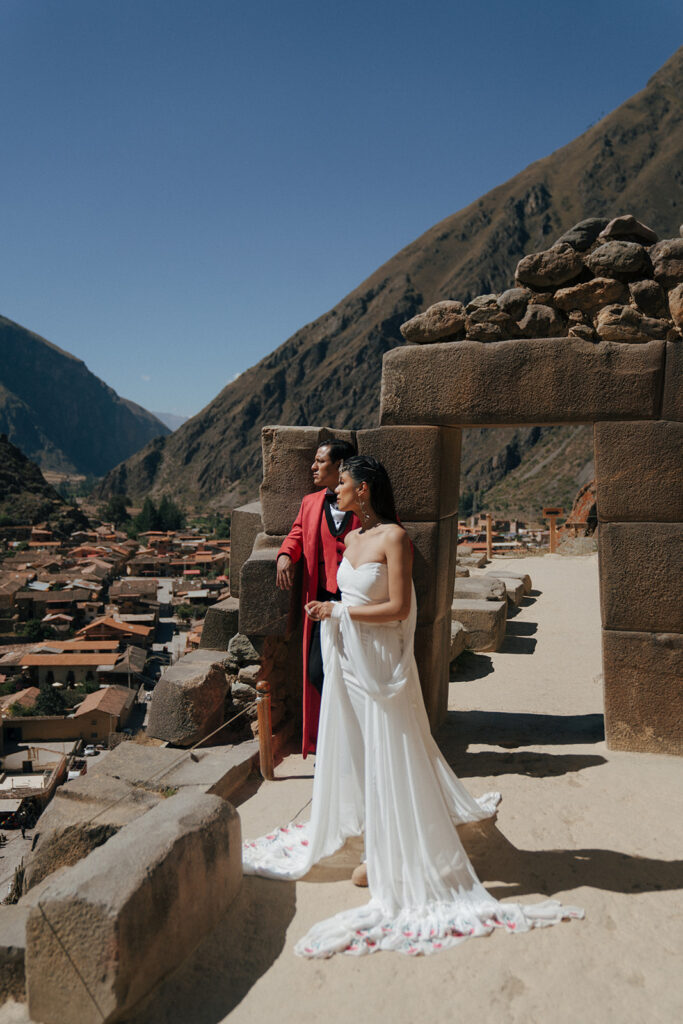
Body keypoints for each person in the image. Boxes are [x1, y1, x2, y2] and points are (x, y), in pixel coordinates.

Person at [243, 456, 583, 957]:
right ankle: (367, 833)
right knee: (358, 750)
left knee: (388, 752)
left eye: (343, 483)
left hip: (380, 667)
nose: (336, 490)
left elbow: (399, 608)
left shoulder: (394, 539)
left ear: (364, 490)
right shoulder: (353, 541)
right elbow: (343, 591)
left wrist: (338, 609)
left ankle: (387, 856)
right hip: (348, 663)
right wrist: (326, 610)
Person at [276, 438, 360, 759]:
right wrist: (285, 555)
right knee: (317, 671)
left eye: (320, 462)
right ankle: (332, 735)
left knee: (355, 671)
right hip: (320, 603)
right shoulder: (310, 503)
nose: (313, 467)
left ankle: (353, 741)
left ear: (340, 467)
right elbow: (297, 533)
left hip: (355, 604)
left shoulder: (364, 501)